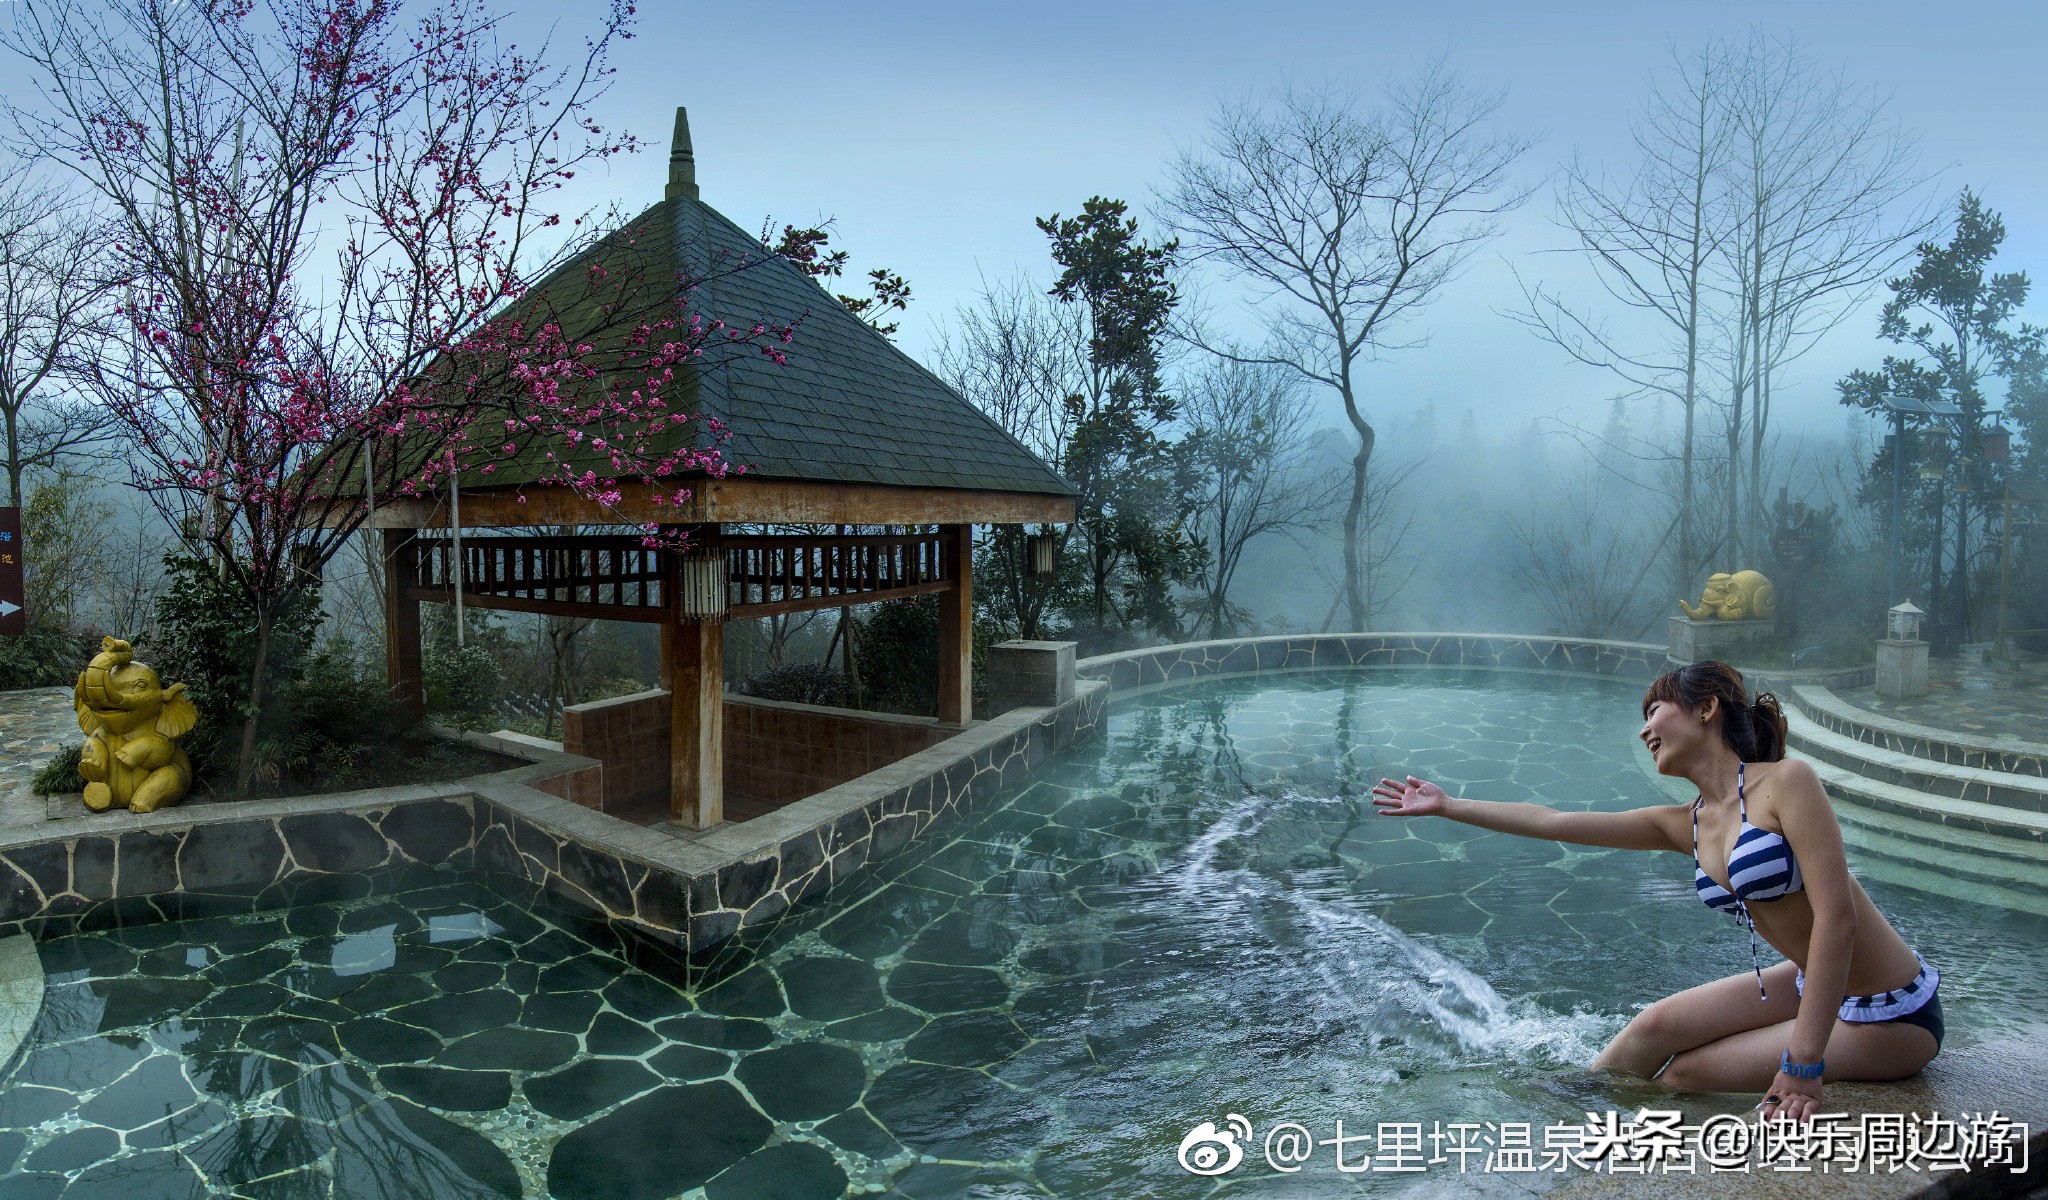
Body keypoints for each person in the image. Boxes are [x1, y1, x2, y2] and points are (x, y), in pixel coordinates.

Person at [1369, 660, 1942, 1122]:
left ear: (1707, 709)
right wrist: (1449, 806)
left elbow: (1836, 921)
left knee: (1685, 1074)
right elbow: (1552, 820)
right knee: (1652, 1028)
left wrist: (1803, 1064)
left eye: (1654, 711)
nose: (1644, 729)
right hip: (1809, 979)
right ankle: (1557, 1116)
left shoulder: (1787, 784)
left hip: (1891, 1013)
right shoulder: (1684, 821)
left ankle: (1630, 1156)